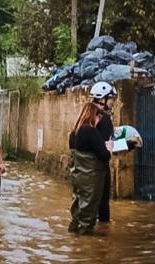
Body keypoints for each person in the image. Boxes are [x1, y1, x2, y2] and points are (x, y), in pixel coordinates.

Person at [68, 102, 113, 235]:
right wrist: (109, 149)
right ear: (93, 116)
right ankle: (86, 246)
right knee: (89, 211)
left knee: (77, 206)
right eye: (98, 117)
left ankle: (75, 237)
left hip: (77, 176)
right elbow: (104, 156)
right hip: (91, 178)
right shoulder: (91, 131)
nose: (99, 120)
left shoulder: (74, 133)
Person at [90, 81, 117, 223]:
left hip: (86, 169)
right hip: (100, 168)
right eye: (111, 98)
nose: (113, 102)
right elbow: (107, 147)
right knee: (103, 203)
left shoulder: (87, 115)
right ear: (102, 99)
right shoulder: (104, 118)